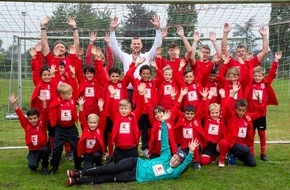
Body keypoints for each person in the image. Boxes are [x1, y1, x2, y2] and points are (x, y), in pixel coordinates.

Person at [66, 112, 200, 186]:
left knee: (107, 178)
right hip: (135, 162)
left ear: (179, 164)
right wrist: (164, 122)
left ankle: (77, 181)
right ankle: (79, 173)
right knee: (108, 168)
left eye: (178, 160)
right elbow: (165, 142)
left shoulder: (174, 173)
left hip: (134, 176)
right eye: (176, 156)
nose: (175, 159)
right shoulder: (166, 156)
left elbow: (185, 164)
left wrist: (191, 153)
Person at [109, 15, 162, 99]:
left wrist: (158, 29)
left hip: (143, 90)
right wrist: (112, 31)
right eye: (134, 44)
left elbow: (157, 45)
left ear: (141, 45)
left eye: (138, 44)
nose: (136, 45)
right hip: (128, 91)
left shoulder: (147, 56)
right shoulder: (125, 57)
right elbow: (114, 47)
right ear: (130, 45)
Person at [244, 51, 281, 161]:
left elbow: (272, 74)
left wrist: (276, 60)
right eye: (255, 76)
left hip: (261, 113)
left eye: (259, 76)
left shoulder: (265, 83)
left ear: (263, 76)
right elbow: (248, 71)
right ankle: (251, 153)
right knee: (250, 134)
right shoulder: (250, 83)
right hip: (250, 113)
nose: (257, 77)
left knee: (261, 133)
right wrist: (248, 60)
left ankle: (263, 153)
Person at [222, 83, 263, 167]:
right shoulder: (231, 116)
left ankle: (235, 154)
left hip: (243, 145)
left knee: (252, 164)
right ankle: (231, 154)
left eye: (243, 110)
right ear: (235, 109)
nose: (241, 112)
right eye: (239, 110)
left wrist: (260, 102)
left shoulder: (248, 116)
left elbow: (260, 113)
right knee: (246, 150)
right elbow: (226, 108)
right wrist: (232, 94)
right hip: (232, 143)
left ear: (246, 110)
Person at [129, 59, 164, 158]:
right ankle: (134, 148)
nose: (146, 75)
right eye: (144, 73)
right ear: (140, 74)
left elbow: (161, 78)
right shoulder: (137, 82)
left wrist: (156, 68)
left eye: (148, 74)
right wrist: (136, 65)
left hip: (150, 111)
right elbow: (129, 75)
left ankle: (147, 148)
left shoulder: (153, 83)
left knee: (149, 130)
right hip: (139, 110)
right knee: (138, 130)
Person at [9, 92, 50, 175]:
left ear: (38, 118)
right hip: (33, 150)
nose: (33, 120)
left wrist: (44, 101)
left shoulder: (42, 123)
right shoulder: (26, 124)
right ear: (28, 119)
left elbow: (45, 112)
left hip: (42, 147)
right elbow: (19, 113)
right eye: (30, 119)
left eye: (35, 118)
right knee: (33, 166)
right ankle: (33, 158)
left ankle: (44, 167)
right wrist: (14, 104)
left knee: (45, 150)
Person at [107, 83, 146, 163]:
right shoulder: (116, 117)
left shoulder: (134, 116)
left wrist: (141, 94)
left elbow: (141, 107)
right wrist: (111, 96)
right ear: (118, 109)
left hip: (132, 149)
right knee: (119, 169)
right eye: (121, 108)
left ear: (130, 109)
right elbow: (110, 108)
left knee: (132, 169)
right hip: (119, 149)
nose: (123, 110)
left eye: (126, 108)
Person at [48, 83, 82, 174]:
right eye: (69, 94)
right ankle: (54, 166)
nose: (71, 95)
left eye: (71, 93)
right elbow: (51, 111)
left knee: (77, 147)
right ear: (62, 95)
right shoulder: (56, 102)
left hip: (71, 128)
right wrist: (53, 124)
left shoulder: (72, 101)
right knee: (56, 148)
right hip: (60, 129)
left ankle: (78, 166)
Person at [77, 97, 106, 170]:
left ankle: (99, 164)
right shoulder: (85, 129)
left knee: (97, 160)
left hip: (96, 152)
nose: (92, 125)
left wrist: (100, 108)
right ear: (87, 123)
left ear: (97, 123)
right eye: (90, 123)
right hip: (88, 154)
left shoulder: (100, 129)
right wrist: (81, 107)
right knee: (88, 170)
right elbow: (82, 119)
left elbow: (103, 120)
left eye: (94, 123)